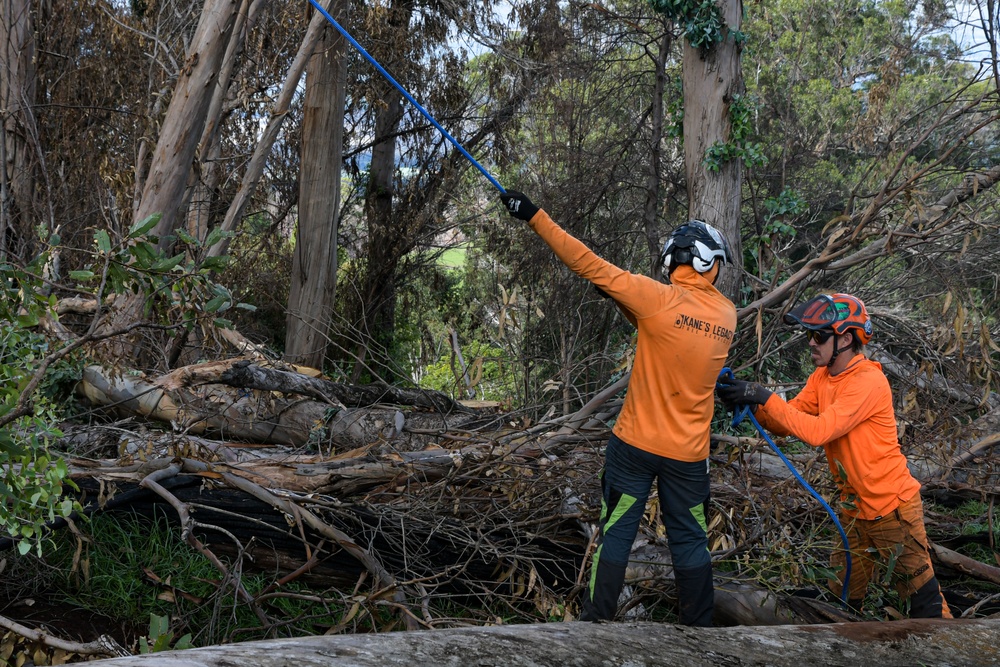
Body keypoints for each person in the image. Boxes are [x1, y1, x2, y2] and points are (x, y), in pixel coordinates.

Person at [500, 190, 737, 626]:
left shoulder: (655, 299)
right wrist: (629, 304)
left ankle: (596, 624)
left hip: (634, 446)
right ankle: (701, 634)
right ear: (709, 262)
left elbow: (586, 262)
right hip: (688, 458)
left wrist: (533, 215)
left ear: (673, 263)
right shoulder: (727, 316)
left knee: (616, 536)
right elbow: (675, 336)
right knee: (690, 541)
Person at [716, 293, 951, 618]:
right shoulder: (822, 377)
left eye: (819, 335)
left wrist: (763, 395)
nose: (811, 343)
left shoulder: (868, 381)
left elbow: (818, 431)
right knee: (843, 596)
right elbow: (790, 418)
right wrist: (751, 401)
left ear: (845, 337)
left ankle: (952, 649)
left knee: (924, 602)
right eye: (810, 334)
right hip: (853, 510)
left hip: (892, 511)